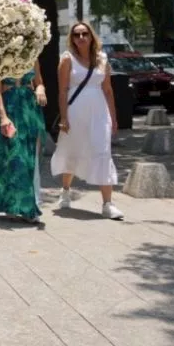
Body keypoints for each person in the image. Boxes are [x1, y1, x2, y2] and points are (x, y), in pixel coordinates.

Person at [50, 22, 124, 220]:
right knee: (72, 151)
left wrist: (114, 118)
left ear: (91, 36)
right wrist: (64, 117)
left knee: (103, 152)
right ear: (72, 39)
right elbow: (63, 90)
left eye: (84, 34)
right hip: (75, 112)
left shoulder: (102, 59)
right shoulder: (67, 59)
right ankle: (65, 190)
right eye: (76, 35)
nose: (81, 37)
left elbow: (108, 90)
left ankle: (107, 204)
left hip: (99, 113)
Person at [0, 70, 48, 223]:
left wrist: (40, 89)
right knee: (11, 156)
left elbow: (39, 82)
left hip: (29, 109)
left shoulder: (32, 53)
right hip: (9, 108)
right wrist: (3, 117)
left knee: (30, 157)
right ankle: (11, 204)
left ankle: (30, 206)